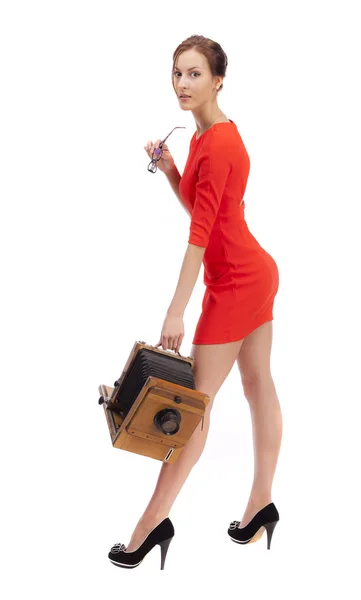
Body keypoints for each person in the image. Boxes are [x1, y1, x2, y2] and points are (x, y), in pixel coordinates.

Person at [108, 35, 283, 569]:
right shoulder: (206, 136)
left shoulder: (223, 141)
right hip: (249, 274)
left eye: (194, 74)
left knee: (191, 412)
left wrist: (177, 309)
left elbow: (201, 232)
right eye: (176, 74)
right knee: (256, 386)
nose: (182, 85)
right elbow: (199, 206)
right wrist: (169, 171)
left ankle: (149, 524)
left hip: (237, 282)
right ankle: (262, 506)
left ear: (219, 79)